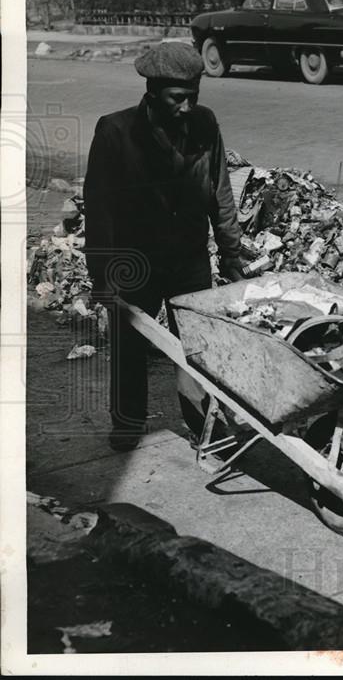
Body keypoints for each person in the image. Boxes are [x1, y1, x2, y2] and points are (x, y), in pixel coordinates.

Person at [84, 43, 250, 451]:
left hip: (189, 258)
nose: (187, 106)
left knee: (195, 347)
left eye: (193, 96)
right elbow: (100, 207)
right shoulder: (116, 131)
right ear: (153, 92)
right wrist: (101, 274)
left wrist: (231, 253)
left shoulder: (205, 124)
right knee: (128, 347)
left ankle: (201, 425)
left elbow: (220, 193)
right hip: (134, 261)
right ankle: (127, 423)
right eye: (178, 98)